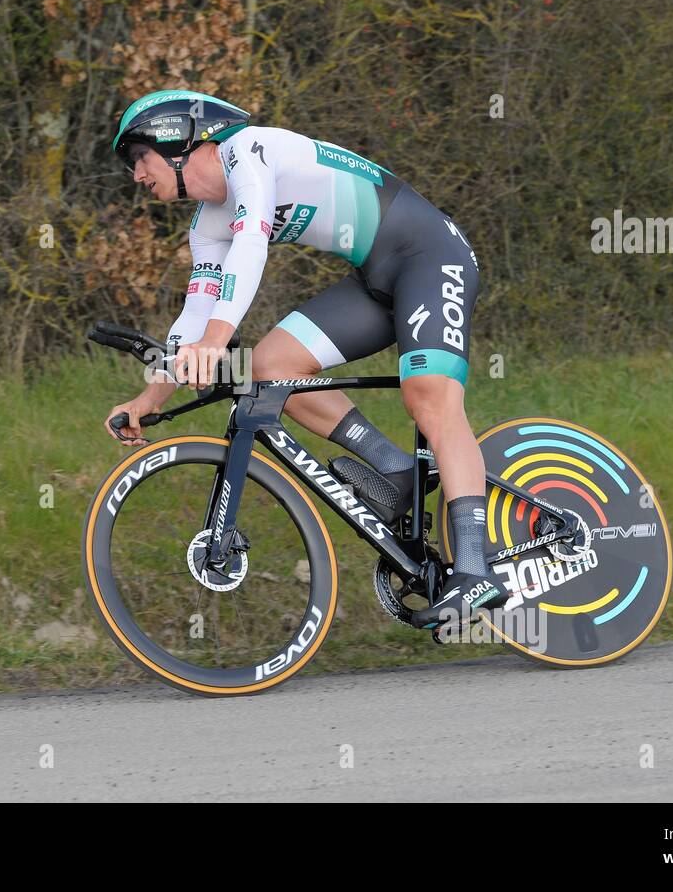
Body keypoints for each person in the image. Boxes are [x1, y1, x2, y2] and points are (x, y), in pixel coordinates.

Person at [101, 89, 509, 629]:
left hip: (432, 257)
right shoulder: (206, 225)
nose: (136, 175)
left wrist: (217, 341)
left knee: (429, 399)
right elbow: (193, 320)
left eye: (139, 159)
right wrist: (148, 398)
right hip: (375, 279)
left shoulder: (248, 154)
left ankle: (476, 571)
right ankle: (394, 468)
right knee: (272, 369)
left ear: (176, 141)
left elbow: (252, 249)